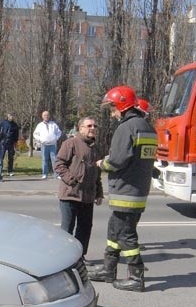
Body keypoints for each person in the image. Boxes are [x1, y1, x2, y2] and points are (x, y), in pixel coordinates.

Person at [88, 86, 157, 292]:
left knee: (126, 235)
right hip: (137, 190)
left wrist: (102, 164)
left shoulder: (126, 128)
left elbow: (118, 160)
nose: (112, 113)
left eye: (112, 108)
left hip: (125, 190)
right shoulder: (147, 127)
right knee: (114, 230)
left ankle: (136, 276)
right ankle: (108, 269)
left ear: (121, 105)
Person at [54, 117, 103, 265]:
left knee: (85, 228)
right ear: (80, 128)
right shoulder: (71, 144)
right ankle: (63, 259)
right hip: (70, 195)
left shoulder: (96, 148)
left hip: (87, 196)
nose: (92, 128)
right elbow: (59, 165)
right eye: (89, 126)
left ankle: (79, 258)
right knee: (67, 228)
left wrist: (99, 192)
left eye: (94, 126)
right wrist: (72, 181)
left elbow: (97, 173)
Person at [33, 111, 62, 179]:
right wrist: (40, 139)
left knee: (54, 159)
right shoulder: (40, 125)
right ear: (42, 116)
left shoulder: (53, 124)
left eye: (47, 115)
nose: (46, 116)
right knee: (44, 159)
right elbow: (35, 134)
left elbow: (59, 132)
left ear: (49, 116)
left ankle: (56, 174)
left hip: (52, 145)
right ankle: (44, 174)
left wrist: (56, 139)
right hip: (44, 145)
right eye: (45, 115)